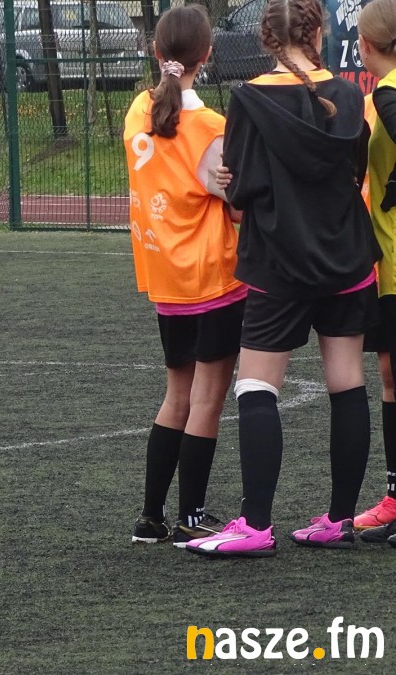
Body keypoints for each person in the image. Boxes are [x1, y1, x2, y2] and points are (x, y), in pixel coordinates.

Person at [186, 0, 380, 558]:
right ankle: (340, 520)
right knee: (348, 382)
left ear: (266, 38)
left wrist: (233, 184)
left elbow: (241, 196)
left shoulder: (249, 98)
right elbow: (354, 173)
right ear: (317, 33)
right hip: (346, 256)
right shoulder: (349, 95)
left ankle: (256, 525)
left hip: (279, 263)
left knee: (256, 387)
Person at [122, 5, 242, 548]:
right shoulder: (213, 127)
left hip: (165, 275)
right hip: (213, 274)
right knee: (208, 399)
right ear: (207, 55)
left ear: (155, 50)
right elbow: (235, 207)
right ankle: (191, 515)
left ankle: (151, 517)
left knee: (177, 395)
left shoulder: (138, 110)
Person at [354, 0, 396, 544]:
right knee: (390, 379)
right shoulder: (375, 97)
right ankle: (394, 498)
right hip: (385, 260)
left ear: (365, 44)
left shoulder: (387, 94)